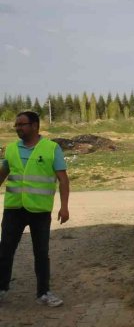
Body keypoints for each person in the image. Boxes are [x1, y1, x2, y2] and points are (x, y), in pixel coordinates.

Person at [0, 110, 70, 307]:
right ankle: (1, 288)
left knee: (41, 253)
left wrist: (64, 207)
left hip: (39, 211)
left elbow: (63, 179)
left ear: (35, 126)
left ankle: (44, 293)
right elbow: (3, 173)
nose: (18, 128)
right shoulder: (12, 149)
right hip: (14, 208)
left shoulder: (51, 148)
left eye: (22, 124)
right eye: (16, 125)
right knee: (5, 250)